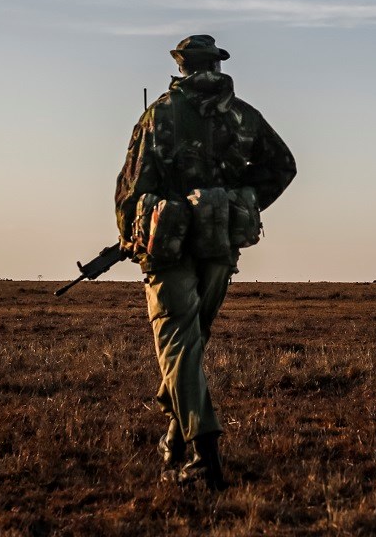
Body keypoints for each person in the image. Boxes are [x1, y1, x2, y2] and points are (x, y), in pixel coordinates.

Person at [114, 34, 296, 489]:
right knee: (191, 344)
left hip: (169, 249)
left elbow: (131, 188)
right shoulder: (244, 116)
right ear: (215, 65)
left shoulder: (159, 114)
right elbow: (283, 166)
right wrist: (241, 203)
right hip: (218, 248)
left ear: (182, 67)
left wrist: (130, 234)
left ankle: (204, 453)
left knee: (178, 345)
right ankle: (175, 440)